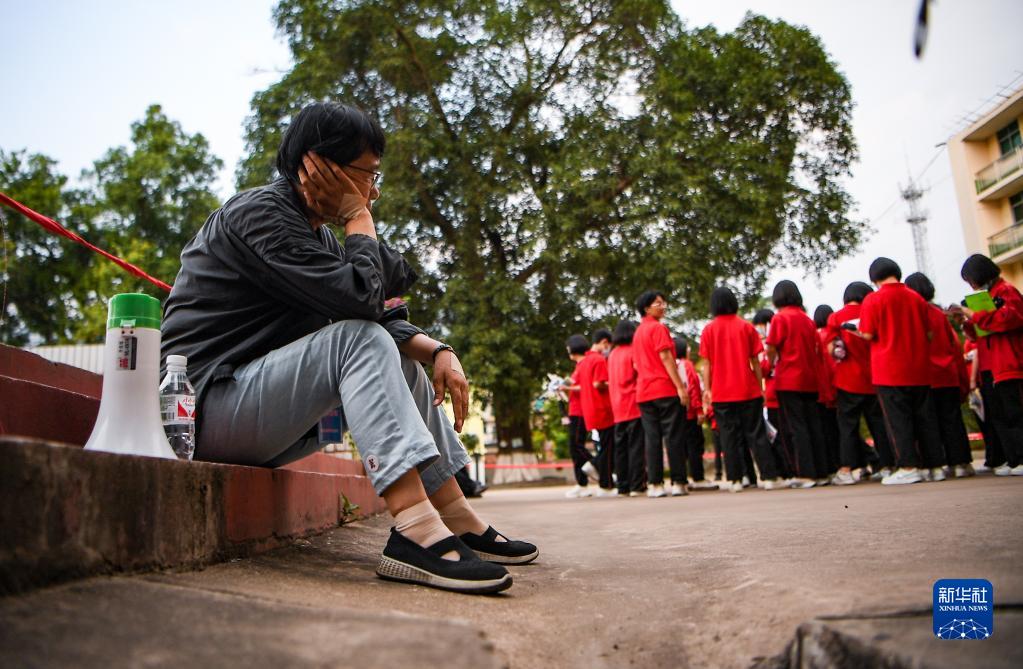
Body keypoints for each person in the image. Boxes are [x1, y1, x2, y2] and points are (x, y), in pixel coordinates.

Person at [161, 102, 536, 594]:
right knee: (357, 341)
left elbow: (390, 285)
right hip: (204, 410)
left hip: (256, 411)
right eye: (368, 175)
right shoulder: (260, 216)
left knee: (391, 349)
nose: (375, 191)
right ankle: (414, 532)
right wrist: (356, 215)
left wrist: (439, 351)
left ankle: (455, 514)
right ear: (322, 166)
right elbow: (361, 300)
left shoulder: (316, 234)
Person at [857, 257, 944, 485]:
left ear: (874, 278)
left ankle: (908, 465)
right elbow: (929, 334)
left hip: (889, 370)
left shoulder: (873, 300)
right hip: (919, 368)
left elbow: (867, 334)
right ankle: (935, 466)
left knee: (898, 421)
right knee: (926, 419)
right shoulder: (916, 298)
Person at [699, 287, 786, 492]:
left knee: (729, 437)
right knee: (756, 434)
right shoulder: (746, 327)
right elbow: (755, 361)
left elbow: (707, 364)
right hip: (747, 389)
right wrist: (760, 386)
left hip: (721, 392)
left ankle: (736, 480)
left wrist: (708, 389)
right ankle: (769, 477)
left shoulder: (709, 330)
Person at [951, 254, 1023, 476]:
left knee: (1015, 414)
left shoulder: (1006, 291)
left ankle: (1020, 457)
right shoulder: (987, 296)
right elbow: (981, 334)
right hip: (991, 365)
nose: (972, 285)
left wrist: (976, 315)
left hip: (1009, 363)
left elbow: (1010, 318)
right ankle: (1012, 459)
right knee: (998, 415)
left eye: (970, 279)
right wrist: (967, 323)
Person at [824, 281, 894, 485]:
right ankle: (886, 465)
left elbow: (829, 348)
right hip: (874, 377)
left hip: (848, 380)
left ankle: (847, 469)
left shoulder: (836, 317)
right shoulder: (871, 310)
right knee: (879, 425)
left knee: (847, 427)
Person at [905, 272, 974, 478]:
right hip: (948, 374)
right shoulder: (940, 315)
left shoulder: (915, 314)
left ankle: (936, 465)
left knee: (928, 424)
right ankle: (961, 463)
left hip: (926, 376)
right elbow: (954, 346)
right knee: (953, 421)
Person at [766, 281, 828, 488]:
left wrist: (772, 363)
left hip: (789, 378)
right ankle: (821, 471)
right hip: (810, 378)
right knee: (814, 425)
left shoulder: (780, 318)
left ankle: (805, 472)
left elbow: (772, 347)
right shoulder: (807, 320)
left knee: (795, 427)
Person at [633, 291, 690, 497]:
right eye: (658, 303)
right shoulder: (658, 328)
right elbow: (666, 357)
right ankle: (678, 482)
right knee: (673, 436)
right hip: (664, 389)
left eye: (663, 302)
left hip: (644, 392)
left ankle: (655, 484)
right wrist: (680, 387)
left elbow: (636, 364)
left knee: (652, 438)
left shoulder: (638, 332)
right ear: (647, 308)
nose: (663, 306)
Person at [575, 329, 619, 495]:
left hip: (590, 408)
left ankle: (596, 469)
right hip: (603, 408)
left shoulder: (584, 361)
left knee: (606, 445)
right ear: (604, 342)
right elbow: (598, 383)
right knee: (609, 447)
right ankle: (605, 483)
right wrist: (613, 382)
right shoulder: (598, 360)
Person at [608, 320, 648, 496]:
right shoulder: (634, 351)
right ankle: (636, 485)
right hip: (633, 404)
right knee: (636, 447)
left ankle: (622, 485)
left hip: (617, 407)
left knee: (621, 448)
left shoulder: (612, 354)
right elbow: (640, 373)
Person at [752, 308, 791, 480]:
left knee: (780, 438)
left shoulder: (771, 344)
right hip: (777, 394)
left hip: (775, 394)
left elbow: (764, 368)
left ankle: (787, 470)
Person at [674, 337, 718, 490]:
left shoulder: (673, 366)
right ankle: (698, 477)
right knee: (695, 446)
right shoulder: (686, 365)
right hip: (690, 413)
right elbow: (693, 388)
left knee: (683, 447)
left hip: (677, 414)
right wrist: (699, 410)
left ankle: (682, 478)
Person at [562, 335, 600, 497]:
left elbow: (585, 387)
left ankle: (596, 466)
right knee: (574, 447)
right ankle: (582, 483)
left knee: (577, 445)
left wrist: (568, 387)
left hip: (581, 410)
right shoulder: (578, 366)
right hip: (574, 409)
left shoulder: (586, 363)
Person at [813, 304, 841, 477]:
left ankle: (833, 466)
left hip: (821, 390)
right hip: (839, 386)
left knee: (827, 431)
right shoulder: (834, 335)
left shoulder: (817, 336)